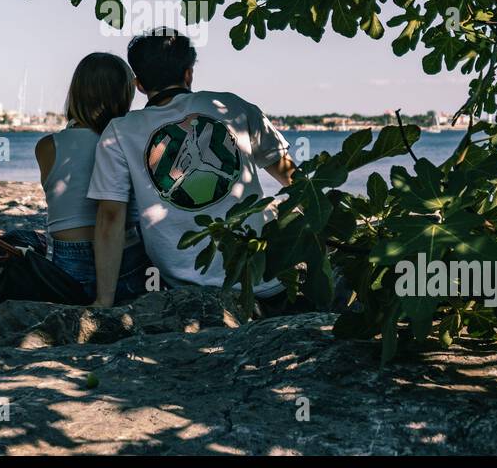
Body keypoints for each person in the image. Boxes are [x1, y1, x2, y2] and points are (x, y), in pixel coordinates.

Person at [86, 29, 298, 311]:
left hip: (190, 288)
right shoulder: (233, 106)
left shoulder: (120, 132)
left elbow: (111, 216)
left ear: (138, 84)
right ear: (188, 74)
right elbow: (292, 179)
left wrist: (104, 301)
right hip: (267, 281)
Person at [32, 52, 151, 303]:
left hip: (68, 263)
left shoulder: (47, 147)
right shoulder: (131, 142)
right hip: (126, 256)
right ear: (124, 95)